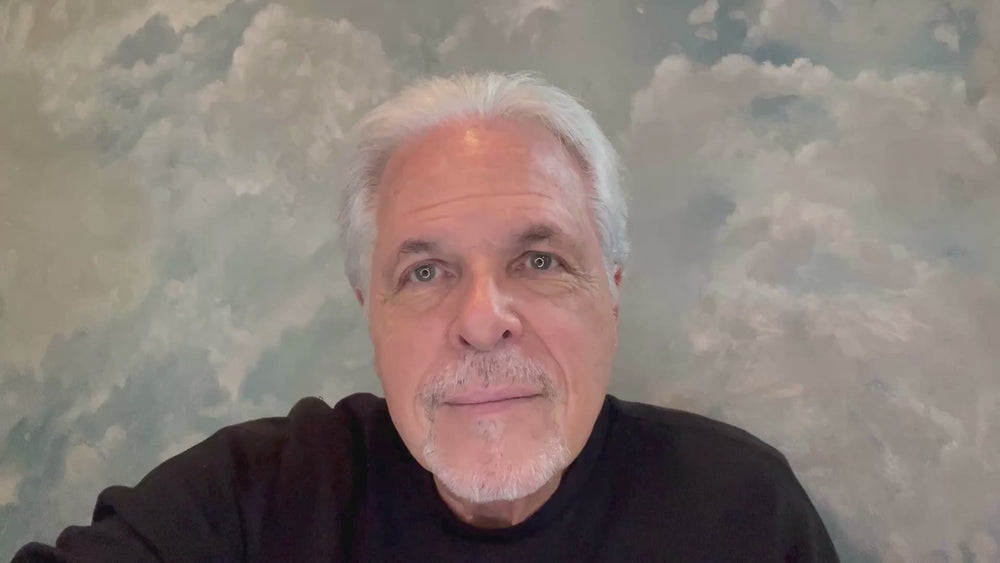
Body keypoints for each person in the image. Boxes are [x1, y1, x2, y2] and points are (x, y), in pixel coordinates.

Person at [14, 72, 839, 562]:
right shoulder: (255, 500)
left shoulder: (742, 511)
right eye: (425, 271)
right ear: (369, 311)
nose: (482, 320)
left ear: (611, 290)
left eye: (539, 261)